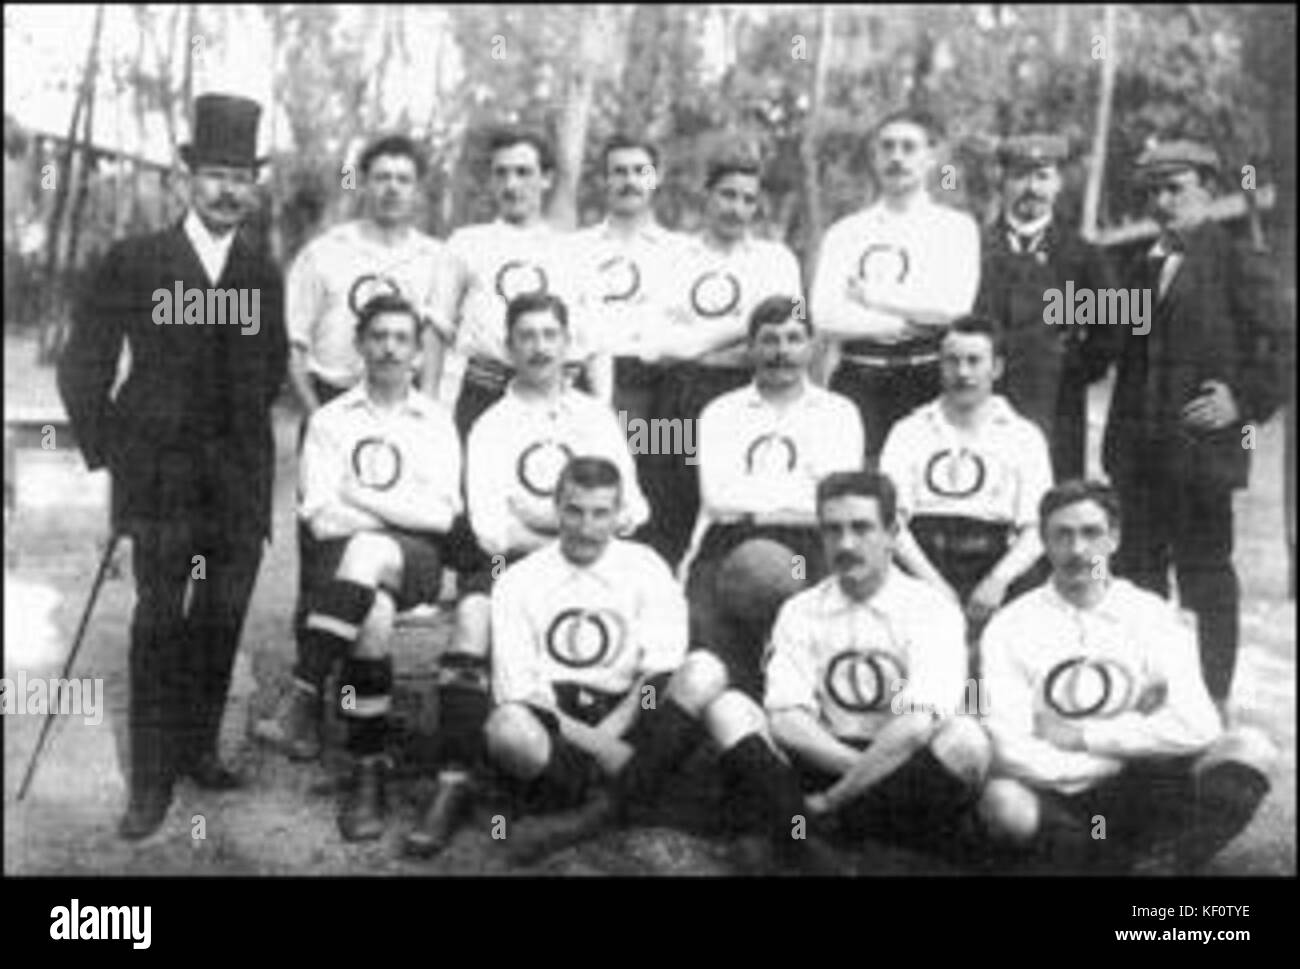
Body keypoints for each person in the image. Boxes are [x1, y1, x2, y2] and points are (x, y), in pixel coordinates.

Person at [57, 93, 288, 839]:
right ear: (189, 178)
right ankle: (150, 778)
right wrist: (111, 453)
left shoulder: (260, 272)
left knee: (220, 619)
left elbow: (272, 366)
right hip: (158, 484)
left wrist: (252, 470)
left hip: (237, 486)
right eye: (215, 173)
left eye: (240, 176)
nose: (228, 190)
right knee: (161, 622)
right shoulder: (138, 260)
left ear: (253, 186)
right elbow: (82, 364)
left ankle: (197, 748)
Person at [403, 292, 653, 858]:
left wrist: (572, 533)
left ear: (567, 344)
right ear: (509, 347)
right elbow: (491, 529)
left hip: (599, 555)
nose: (540, 347)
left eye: (550, 335)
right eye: (527, 337)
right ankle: (453, 782)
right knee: (472, 614)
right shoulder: (491, 424)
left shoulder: (595, 416)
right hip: (512, 562)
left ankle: (606, 767)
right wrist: (578, 533)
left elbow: (634, 509)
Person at [258, 135, 451, 757]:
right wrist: (325, 423)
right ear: (362, 183)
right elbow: (293, 347)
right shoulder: (325, 254)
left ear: (417, 188)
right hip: (336, 405)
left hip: (405, 417)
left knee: (361, 550)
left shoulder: (436, 259)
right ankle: (315, 716)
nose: (392, 187)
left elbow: (436, 348)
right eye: (380, 176)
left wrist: (412, 422)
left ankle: (308, 697)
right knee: (321, 566)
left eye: (404, 177)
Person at [978, 480, 1276, 873]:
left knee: (1251, 747)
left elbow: (1198, 725)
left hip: (1143, 788)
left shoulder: (1150, 615)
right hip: (1058, 792)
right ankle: (1098, 860)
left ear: (1114, 538)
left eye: (1091, 533)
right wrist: (1115, 755)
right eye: (1062, 535)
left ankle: (1167, 862)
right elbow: (1007, 745)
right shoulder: (1009, 625)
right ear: (1045, 543)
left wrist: (1085, 738)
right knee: (1002, 802)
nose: (1078, 549)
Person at [1098, 141, 1285, 710]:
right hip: (1137, 460)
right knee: (1137, 583)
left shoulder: (1236, 261)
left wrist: (1244, 401)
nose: (1162, 200)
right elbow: (1114, 350)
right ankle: (1144, 699)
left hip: (1201, 460)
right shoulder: (1138, 267)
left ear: (1208, 187)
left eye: (1175, 187)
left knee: (1206, 581)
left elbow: (1288, 342)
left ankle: (1210, 703)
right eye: (1153, 190)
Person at [483, 456, 729, 863]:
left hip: (634, 712)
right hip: (558, 723)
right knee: (507, 729)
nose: (586, 527)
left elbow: (659, 669)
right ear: (556, 509)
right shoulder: (517, 580)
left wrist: (613, 734)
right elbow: (522, 692)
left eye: (601, 513)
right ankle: (642, 791)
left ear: (619, 515)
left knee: (705, 670)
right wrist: (599, 746)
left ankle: (596, 814)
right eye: (574, 511)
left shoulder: (645, 566)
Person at [291, 294, 468, 842]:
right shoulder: (329, 419)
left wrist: (360, 495)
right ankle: (369, 769)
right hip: (341, 561)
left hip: (414, 557)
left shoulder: (436, 421)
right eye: (378, 337)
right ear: (360, 346)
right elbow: (319, 516)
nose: (390, 348)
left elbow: (441, 515)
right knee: (371, 618)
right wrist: (386, 509)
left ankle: (304, 691)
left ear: (418, 353)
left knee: (368, 550)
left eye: (402, 339)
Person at [757, 470, 990, 860]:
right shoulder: (799, 610)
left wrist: (832, 800)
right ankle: (874, 843)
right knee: (734, 710)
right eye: (833, 530)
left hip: (905, 763)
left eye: (862, 527)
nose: (846, 543)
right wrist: (859, 769)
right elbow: (785, 718)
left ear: (893, 530)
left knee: (967, 741)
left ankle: (820, 833)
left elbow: (917, 725)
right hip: (827, 754)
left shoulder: (934, 609)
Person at [682, 295, 864, 699]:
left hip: (808, 546)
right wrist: (801, 492)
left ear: (812, 347)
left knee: (805, 631)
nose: (782, 352)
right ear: (750, 348)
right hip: (729, 540)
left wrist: (759, 503)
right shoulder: (720, 412)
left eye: (794, 338)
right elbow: (719, 499)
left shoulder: (839, 412)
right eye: (769, 340)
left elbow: (834, 498)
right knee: (712, 661)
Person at [647, 146, 805, 567]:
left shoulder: (776, 260)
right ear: (707, 194)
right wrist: (748, 325)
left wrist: (696, 339)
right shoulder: (672, 256)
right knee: (668, 500)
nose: (737, 208)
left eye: (748, 199)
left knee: (740, 495)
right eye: (727, 195)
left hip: (748, 391)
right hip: (678, 393)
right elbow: (659, 345)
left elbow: (788, 329)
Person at [810, 108, 980, 462]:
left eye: (908, 147)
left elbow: (953, 306)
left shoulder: (955, 229)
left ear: (931, 158)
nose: (897, 157)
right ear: (874, 157)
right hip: (859, 377)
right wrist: (913, 318)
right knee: (858, 483)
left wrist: (872, 298)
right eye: (886, 147)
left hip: (929, 374)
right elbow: (825, 316)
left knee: (925, 480)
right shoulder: (846, 232)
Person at [879, 316, 1053, 656]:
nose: (963, 373)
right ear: (939, 366)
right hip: (921, 559)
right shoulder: (908, 430)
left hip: (996, 561)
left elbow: (1036, 529)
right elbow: (891, 523)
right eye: (952, 361)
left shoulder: (1024, 436)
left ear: (997, 368)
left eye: (974, 361)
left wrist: (997, 582)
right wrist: (932, 585)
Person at [573, 135, 695, 559]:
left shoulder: (683, 250)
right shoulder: (576, 248)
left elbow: (685, 321)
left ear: (655, 179)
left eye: (639, 171)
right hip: (601, 379)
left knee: (661, 480)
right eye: (618, 171)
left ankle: (659, 575)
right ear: (603, 181)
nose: (629, 180)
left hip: (664, 385)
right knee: (603, 478)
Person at [429, 128, 595, 439]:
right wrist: (428, 404)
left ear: (546, 179)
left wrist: (601, 407)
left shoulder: (572, 251)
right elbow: (437, 329)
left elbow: (594, 340)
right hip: (485, 390)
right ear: (491, 181)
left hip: (555, 395)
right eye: (501, 173)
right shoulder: (466, 243)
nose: (511, 184)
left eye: (523, 172)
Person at [975, 133, 1114, 478]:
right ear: (1002, 182)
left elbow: (1114, 330)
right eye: (1020, 176)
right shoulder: (973, 249)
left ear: (1058, 184)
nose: (1031, 188)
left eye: (1042, 177)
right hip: (981, 401)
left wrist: (1070, 367)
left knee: (1055, 497)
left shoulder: (1083, 255)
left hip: (1057, 404)